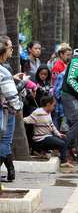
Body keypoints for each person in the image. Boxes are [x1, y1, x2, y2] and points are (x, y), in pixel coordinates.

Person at [23, 95, 73, 168]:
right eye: (53, 105)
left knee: (64, 139)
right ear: (48, 104)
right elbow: (26, 120)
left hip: (47, 136)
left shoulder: (48, 113)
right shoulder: (37, 112)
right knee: (61, 144)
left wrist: (58, 134)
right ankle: (63, 162)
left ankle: (61, 156)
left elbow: (52, 125)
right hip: (40, 139)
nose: (54, 107)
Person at [0, 36, 24, 182]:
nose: (12, 50)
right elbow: (12, 96)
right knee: (5, 142)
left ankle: (11, 171)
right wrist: (18, 107)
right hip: (5, 112)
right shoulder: (4, 71)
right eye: (10, 48)